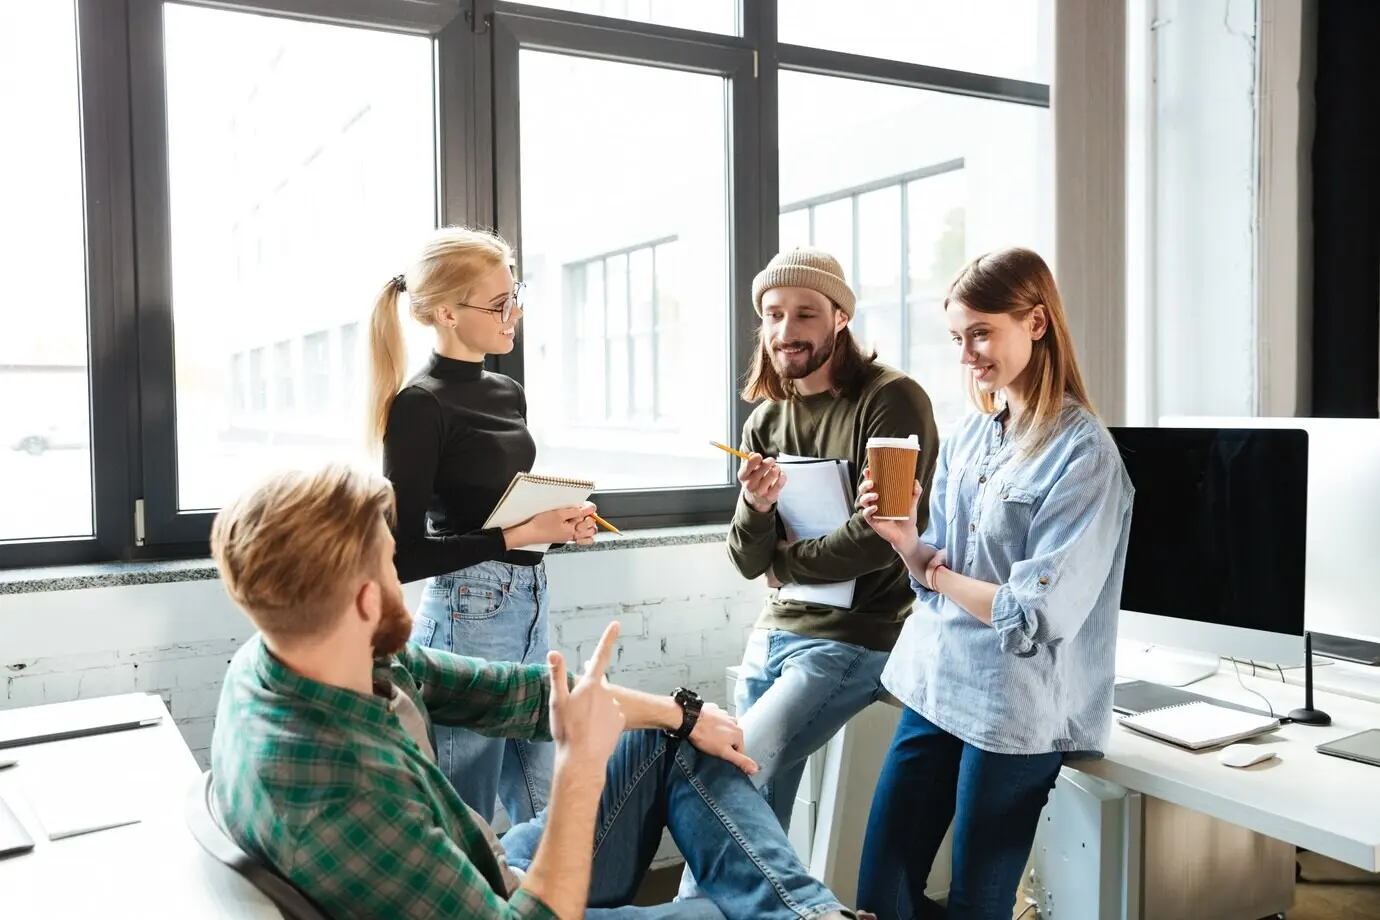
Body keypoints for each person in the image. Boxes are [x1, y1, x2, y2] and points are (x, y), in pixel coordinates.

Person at [208, 463, 869, 920]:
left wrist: (679, 714)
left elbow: (504, 693)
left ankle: (808, 913)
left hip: (491, 866)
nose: (402, 578)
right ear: (362, 601)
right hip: (514, 904)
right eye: (389, 564)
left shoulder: (297, 652)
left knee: (679, 737)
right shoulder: (344, 791)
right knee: (731, 912)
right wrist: (578, 770)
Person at [855, 247, 1134, 920]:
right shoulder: (970, 436)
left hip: (1015, 710)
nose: (967, 355)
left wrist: (939, 572)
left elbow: (1032, 614)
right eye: (957, 338)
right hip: (936, 681)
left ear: (1036, 322)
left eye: (980, 333)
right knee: (880, 896)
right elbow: (940, 571)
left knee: (975, 906)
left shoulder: (1085, 454)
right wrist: (906, 541)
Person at [681, 248, 939, 899]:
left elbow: (881, 536)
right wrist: (756, 506)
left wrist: (785, 563)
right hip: (775, 632)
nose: (785, 330)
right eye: (773, 314)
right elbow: (746, 559)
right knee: (752, 799)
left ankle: (688, 913)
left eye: (805, 313)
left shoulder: (891, 400)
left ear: (840, 317)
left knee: (727, 779)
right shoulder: (766, 420)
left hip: (853, 639)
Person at [368, 226, 593, 825]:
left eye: (514, 296)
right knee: (464, 811)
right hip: (467, 613)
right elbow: (401, 556)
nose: (513, 314)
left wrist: (555, 527)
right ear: (446, 312)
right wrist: (519, 536)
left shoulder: (508, 391)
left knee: (546, 809)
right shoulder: (419, 405)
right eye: (498, 304)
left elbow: (498, 508)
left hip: (527, 601)